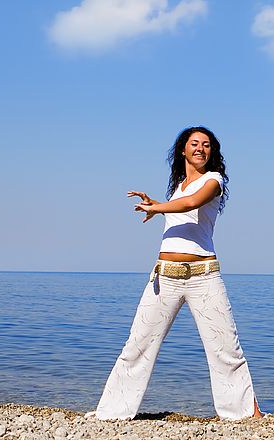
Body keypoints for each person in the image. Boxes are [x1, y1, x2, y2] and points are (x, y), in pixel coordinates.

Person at [90, 126, 263, 420]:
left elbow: (193, 203)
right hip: (164, 278)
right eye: (194, 143)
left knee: (224, 348)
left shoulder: (214, 181)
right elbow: (181, 203)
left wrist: (159, 207)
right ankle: (112, 413)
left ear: (212, 153)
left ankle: (245, 413)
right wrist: (159, 204)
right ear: (182, 150)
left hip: (203, 276)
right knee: (138, 345)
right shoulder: (177, 188)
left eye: (207, 145)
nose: (200, 148)